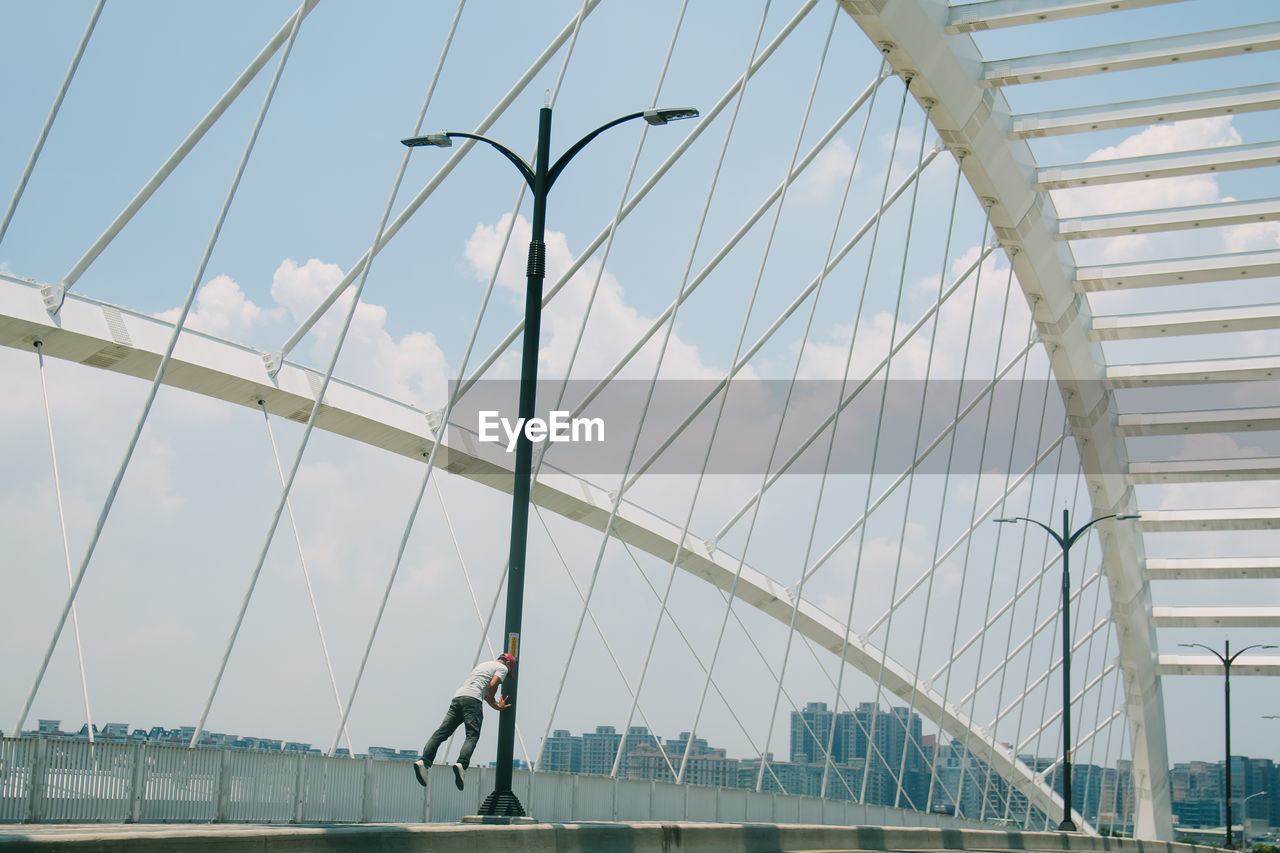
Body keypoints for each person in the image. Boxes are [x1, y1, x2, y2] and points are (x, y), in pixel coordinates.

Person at [413, 652, 514, 791]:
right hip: (473, 701)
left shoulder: (483, 665)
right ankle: (462, 764)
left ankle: (424, 762)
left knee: (442, 732)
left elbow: (486, 692)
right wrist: (497, 704)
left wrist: (496, 705)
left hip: (458, 697)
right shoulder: (502, 668)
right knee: (472, 735)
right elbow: (493, 684)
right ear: (508, 663)